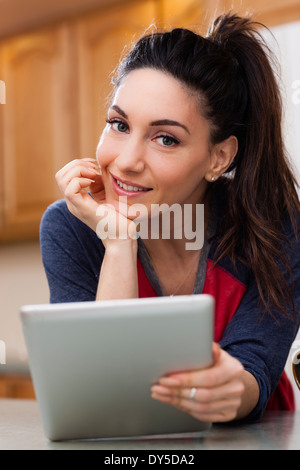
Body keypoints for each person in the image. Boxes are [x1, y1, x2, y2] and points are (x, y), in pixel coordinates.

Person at [40, 12, 300, 424]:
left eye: (165, 138)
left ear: (219, 157)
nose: (125, 162)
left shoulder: (274, 226)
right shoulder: (70, 227)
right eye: (118, 124)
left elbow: (255, 367)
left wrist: (234, 389)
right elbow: (100, 398)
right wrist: (119, 242)